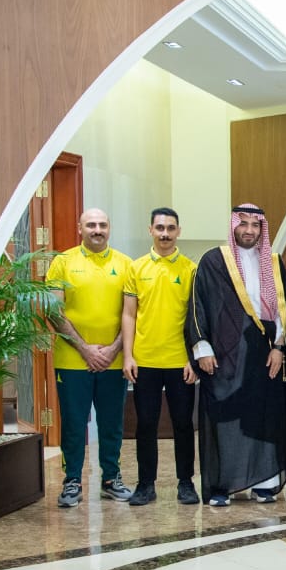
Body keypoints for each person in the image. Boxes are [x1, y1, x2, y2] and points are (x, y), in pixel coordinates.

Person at [186, 204, 286, 507]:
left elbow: (284, 310)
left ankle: (263, 484)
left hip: (264, 352)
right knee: (224, 419)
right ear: (233, 226)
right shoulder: (214, 261)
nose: (248, 230)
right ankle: (222, 486)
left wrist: (279, 348)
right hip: (223, 354)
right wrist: (202, 348)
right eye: (243, 224)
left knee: (262, 417)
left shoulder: (273, 262)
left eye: (255, 225)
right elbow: (197, 305)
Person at [48, 208, 134, 508]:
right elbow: (54, 311)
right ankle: (72, 481)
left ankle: (111, 479)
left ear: (109, 228)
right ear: (79, 228)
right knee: (74, 423)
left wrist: (113, 350)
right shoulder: (62, 263)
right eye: (91, 225)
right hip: (72, 361)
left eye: (102, 225)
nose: (97, 230)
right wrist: (85, 349)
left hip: (113, 361)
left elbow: (133, 314)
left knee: (112, 423)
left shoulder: (125, 264)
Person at [120, 207, 198, 506]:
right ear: (150, 230)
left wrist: (192, 359)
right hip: (145, 362)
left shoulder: (191, 269)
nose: (165, 234)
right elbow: (129, 314)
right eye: (160, 228)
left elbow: (197, 318)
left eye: (170, 228)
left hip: (180, 361)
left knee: (183, 424)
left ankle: (186, 483)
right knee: (146, 424)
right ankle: (145, 485)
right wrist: (128, 356)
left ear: (179, 231)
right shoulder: (136, 268)